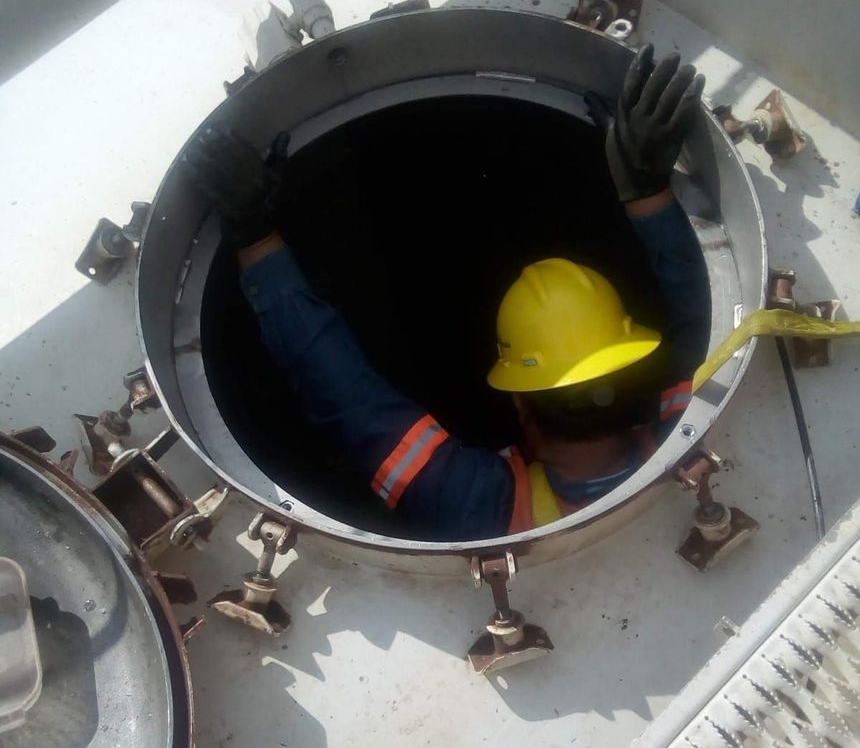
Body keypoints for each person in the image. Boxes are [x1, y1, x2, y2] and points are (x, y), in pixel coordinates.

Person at [185, 45, 709, 541]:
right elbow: (698, 326)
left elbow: (344, 394)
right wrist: (649, 192)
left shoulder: (480, 509)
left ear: (519, 405)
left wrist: (254, 234)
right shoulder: (687, 434)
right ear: (632, 367)